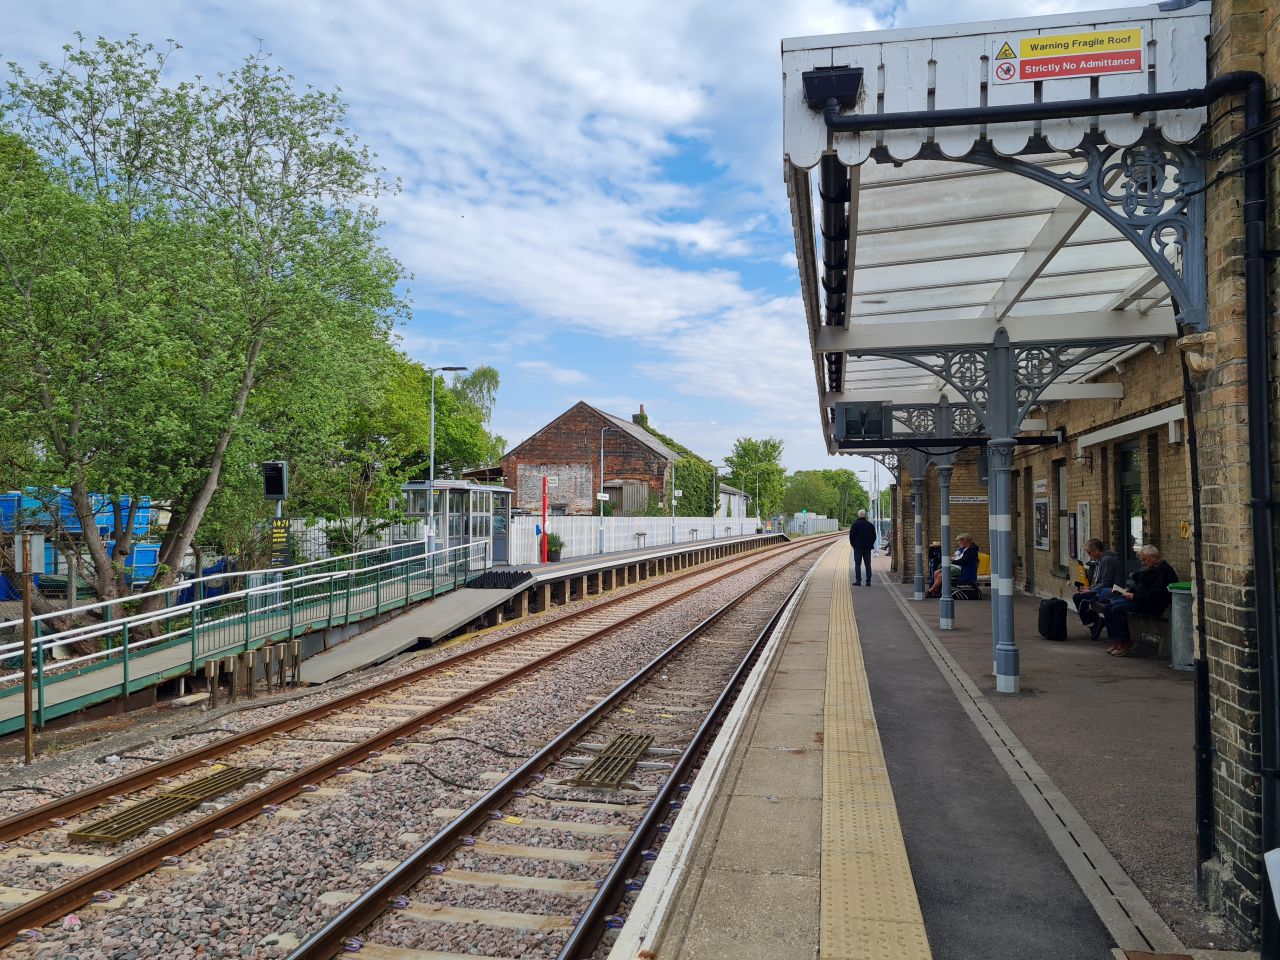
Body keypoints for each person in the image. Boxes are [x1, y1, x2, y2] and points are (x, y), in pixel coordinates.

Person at [1103, 544, 1179, 656]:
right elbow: (1144, 588)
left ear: (1153, 557)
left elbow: (1155, 595)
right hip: (1142, 600)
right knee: (1108, 607)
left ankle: (1126, 642)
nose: (1143, 563)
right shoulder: (1153, 568)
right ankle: (1116, 640)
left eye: (1144, 559)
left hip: (1153, 605)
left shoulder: (1164, 572)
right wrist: (1129, 590)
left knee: (1117, 609)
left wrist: (1134, 596)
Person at [1072, 538, 1121, 640]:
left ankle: (1095, 623)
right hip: (1103, 588)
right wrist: (1089, 588)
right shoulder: (1100, 561)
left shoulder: (1107, 560)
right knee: (1078, 596)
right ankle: (1094, 623)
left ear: (1097, 551)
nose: (1089, 555)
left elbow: (1106, 583)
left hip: (1111, 591)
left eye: (1090, 552)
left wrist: (1091, 590)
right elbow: (1099, 582)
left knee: (1081, 599)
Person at [848, 509, 876, 586]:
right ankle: (868, 581)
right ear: (865, 515)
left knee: (857, 564)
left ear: (858, 515)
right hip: (867, 548)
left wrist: (854, 545)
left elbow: (851, 537)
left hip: (858, 548)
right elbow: (874, 536)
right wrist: (870, 544)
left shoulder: (855, 525)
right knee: (868, 564)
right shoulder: (870, 525)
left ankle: (858, 581)